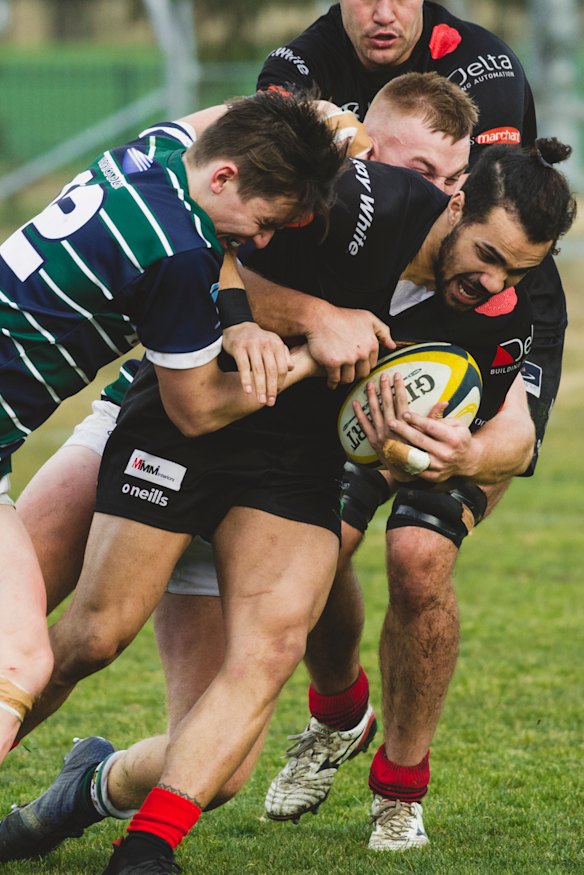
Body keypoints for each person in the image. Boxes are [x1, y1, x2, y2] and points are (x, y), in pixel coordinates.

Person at [0, 139, 575, 873]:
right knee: (93, 636)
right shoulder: (364, 198)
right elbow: (212, 249)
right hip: (198, 419)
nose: (491, 280)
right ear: (456, 201)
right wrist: (308, 314)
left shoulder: (503, 311)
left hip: (298, 463)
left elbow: (508, 438)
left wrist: (423, 453)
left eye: (516, 270)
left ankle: (143, 854)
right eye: (486, 254)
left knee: (272, 647)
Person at [11, 69, 478, 802]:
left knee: (219, 773)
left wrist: (426, 442)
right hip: (160, 424)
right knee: (36, 652)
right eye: (417, 170)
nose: (440, 192)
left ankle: (82, 793)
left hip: (264, 481)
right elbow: (195, 377)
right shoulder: (214, 235)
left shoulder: (161, 152)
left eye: (455, 176)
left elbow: (238, 131)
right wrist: (307, 331)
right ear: (359, 148)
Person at [0, 88, 348, 763]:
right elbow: (195, 409)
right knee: (16, 665)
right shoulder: (177, 252)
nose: (261, 241)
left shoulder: (152, 154)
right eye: (266, 220)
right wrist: (310, 357)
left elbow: (232, 114)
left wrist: (312, 115)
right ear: (223, 178)